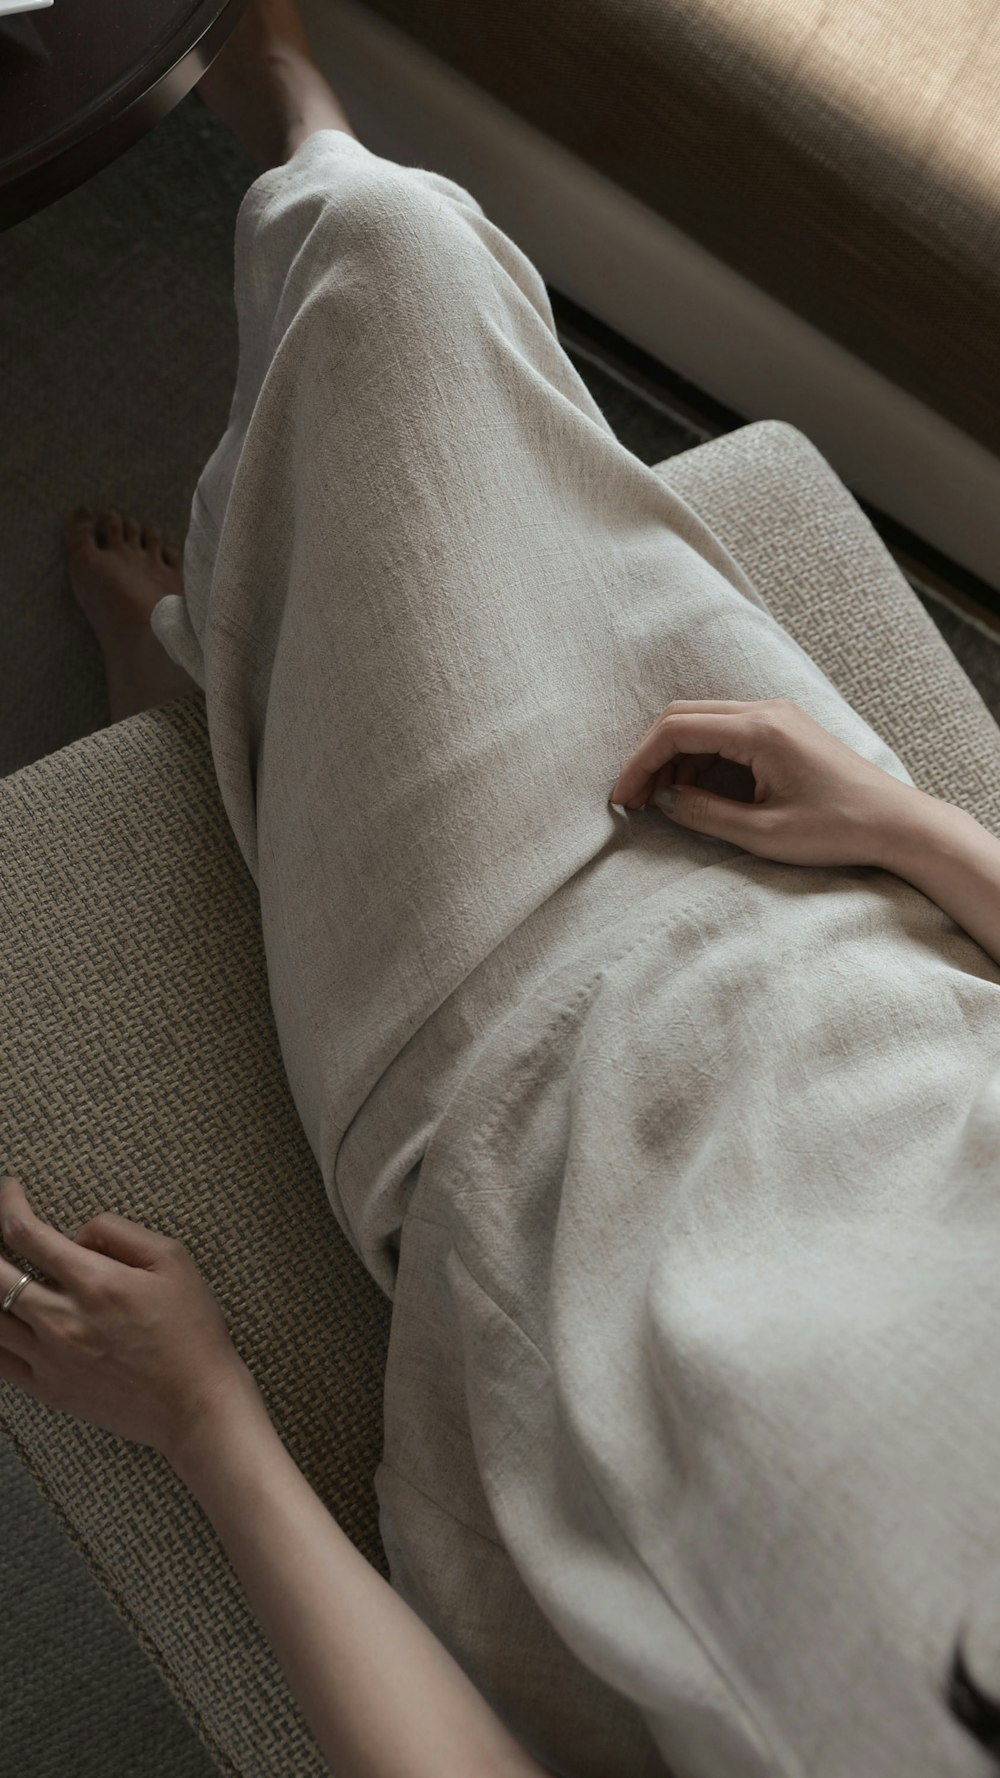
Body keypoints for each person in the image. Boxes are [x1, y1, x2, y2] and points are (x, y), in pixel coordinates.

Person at [43, 1, 1000, 1773]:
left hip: (520, 1104)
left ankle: (198, 678)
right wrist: (907, 822)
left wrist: (206, 1416)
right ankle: (290, 116)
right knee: (409, 278)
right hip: (853, 929)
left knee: (392, 262)